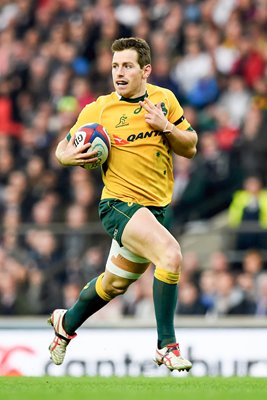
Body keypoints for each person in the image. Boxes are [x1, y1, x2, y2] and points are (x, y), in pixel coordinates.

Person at [48, 37, 197, 372]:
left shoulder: (164, 100)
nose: (119, 72)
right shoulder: (99, 109)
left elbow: (190, 146)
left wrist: (166, 127)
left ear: (145, 70)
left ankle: (65, 323)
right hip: (118, 205)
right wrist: (67, 156)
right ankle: (167, 346)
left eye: (127, 65)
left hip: (155, 210)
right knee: (170, 255)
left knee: (113, 284)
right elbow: (63, 147)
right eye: (115, 65)